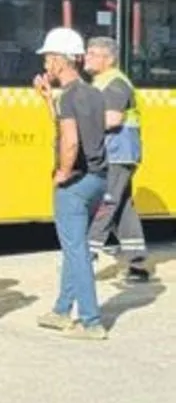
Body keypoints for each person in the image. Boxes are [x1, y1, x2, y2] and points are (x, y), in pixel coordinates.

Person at [32, 27, 110, 340]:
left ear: (62, 61)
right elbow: (80, 127)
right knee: (73, 247)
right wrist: (48, 101)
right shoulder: (92, 93)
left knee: (76, 251)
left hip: (75, 183)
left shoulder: (69, 98)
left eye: (50, 58)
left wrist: (62, 171)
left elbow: (70, 140)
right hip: (98, 178)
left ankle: (91, 321)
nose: (47, 63)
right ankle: (62, 310)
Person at [83, 36, 150, 283]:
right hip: (117, 152)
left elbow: (112, 119)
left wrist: (81, 126)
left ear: (108, 59)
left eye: (92, 53)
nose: (86, 57)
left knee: (105, 202)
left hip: (118, 153)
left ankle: (86, 258)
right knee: (122, 208)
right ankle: (137, 264)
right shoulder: (102, 82)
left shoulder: (115, 84)